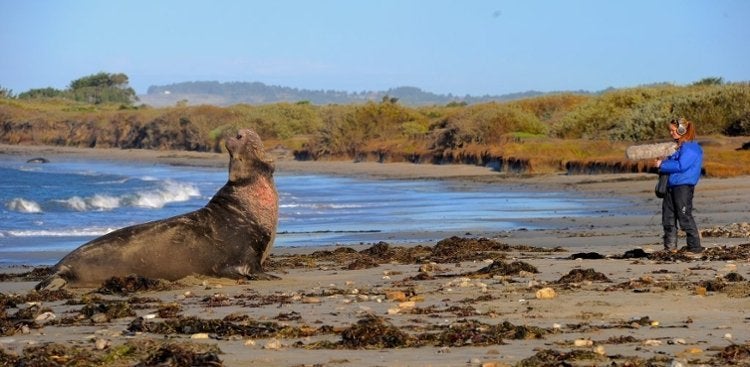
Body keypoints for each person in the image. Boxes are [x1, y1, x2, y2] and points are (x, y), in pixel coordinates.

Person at [655, 117, 704, 253]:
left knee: (684, 217)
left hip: (683, 187)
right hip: (671, 186)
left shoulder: (691, 148)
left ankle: (694, 247)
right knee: (668, 218)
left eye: (673, 130)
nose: (671, 133)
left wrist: (662, 164)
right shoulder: (677, 147)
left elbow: (681, 165)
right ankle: (670, 248)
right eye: (670, 130)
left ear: (682, 130)